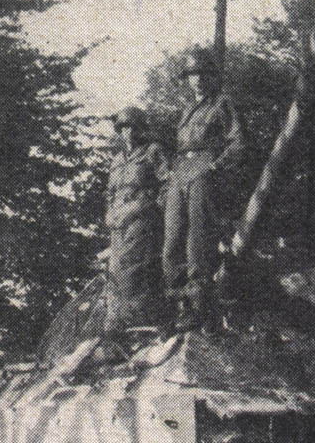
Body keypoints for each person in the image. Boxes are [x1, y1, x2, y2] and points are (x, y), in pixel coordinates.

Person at [163, 47, 244, 331]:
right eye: (191, 75)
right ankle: (178, 304)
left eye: (202, 74)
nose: (196, 80)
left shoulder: (222, 104)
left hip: (204, 168)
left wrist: (215, 168)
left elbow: (238, 143)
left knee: (197, 239)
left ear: (211, 77)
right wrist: (174, 173)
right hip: (181, 172)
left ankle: (199, 306)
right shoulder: (186, 111)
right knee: (172, 240)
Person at [104, 106, 168, 335]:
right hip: (119, 222)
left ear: (141, 129)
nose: (127, 132)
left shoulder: (152, 152)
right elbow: (110, 193)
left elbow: (167, 184)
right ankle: (120, 327)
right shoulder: (117, 160)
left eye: (132, 127)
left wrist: (151, 209)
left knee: (136, 272)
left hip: (142, 220)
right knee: (115, 274)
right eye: (123, 127)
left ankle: (144, 324)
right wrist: (109, 212)